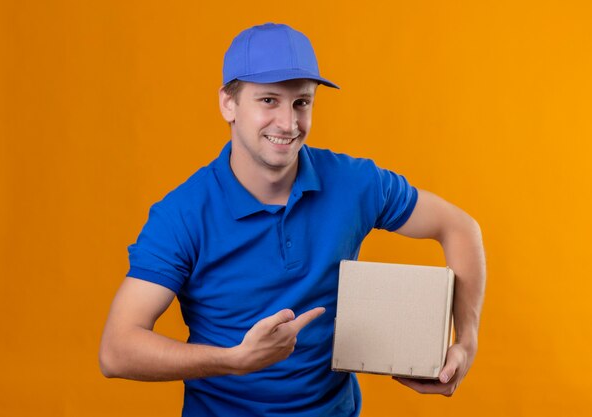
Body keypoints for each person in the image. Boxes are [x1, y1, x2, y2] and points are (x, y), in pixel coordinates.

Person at [99, 23, 486, 416]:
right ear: (228, 104)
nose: (288, 123)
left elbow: (459, 228)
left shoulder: (354, 184)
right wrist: (234, 360)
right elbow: (117, 350)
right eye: (268, 100)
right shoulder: (183, 215)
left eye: (301, 102)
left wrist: (465, 342)